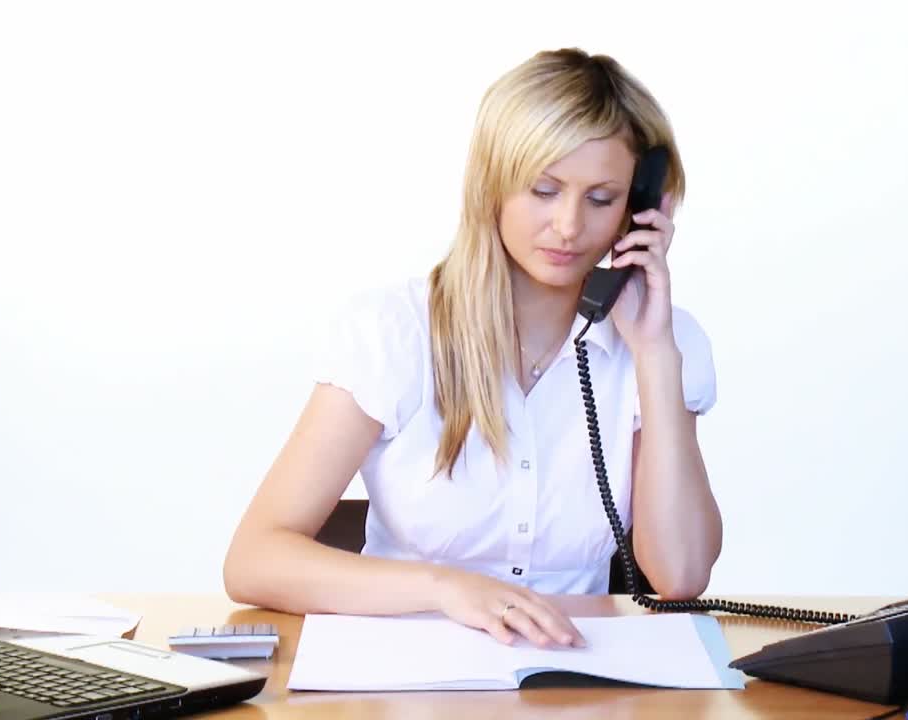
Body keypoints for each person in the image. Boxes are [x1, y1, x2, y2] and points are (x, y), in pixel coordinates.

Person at [223, 47, 721, 650]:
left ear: (640, 208)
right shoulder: (394, 331)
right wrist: (445, 588)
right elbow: (254, 557)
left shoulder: (667, 344)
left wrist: (654, 357)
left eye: (601, 199)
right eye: (543, 189)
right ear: (493, 185)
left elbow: (681, 575)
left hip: (574, 677)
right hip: (403, 674)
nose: (567, 226)